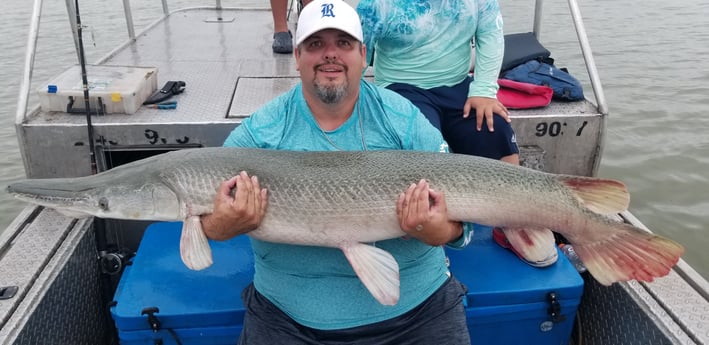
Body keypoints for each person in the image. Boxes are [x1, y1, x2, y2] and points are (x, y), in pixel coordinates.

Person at [202, 1, 473, 343]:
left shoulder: (403, 120)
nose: (330, 55)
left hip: (418, 313)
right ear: (297, 57)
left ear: (363, 54)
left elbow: (466, 223)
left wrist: (443, 232)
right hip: (286, 318)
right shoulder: (258, 135)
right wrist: (219, 228)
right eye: (316, 45)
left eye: (343, 44)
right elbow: (208, 219)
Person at [356, 0, 558, 267]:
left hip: (457, 83)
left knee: (494, 128)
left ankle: (512, 223)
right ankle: (429, 240)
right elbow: (355, 53)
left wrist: (484, 89)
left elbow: (490, 34)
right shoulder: (376, 3)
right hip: (400, 86)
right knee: (423, 149)